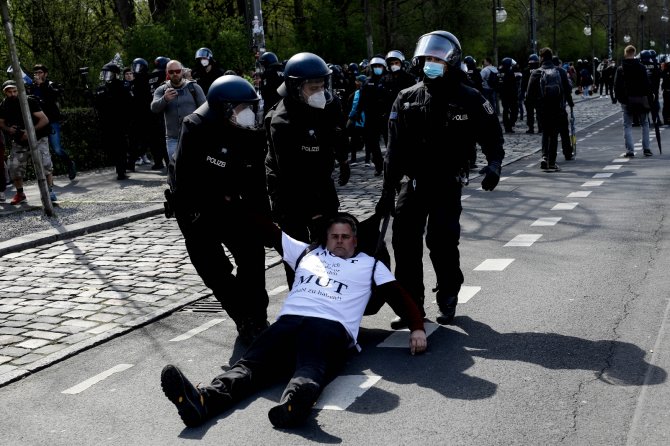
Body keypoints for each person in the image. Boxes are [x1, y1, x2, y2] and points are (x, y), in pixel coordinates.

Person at [160, 213, 427, 428]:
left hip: (330, 326)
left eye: (346, 237)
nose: (339, 241)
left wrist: (416, 328)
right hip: (288, 322)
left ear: (355, 241)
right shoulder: (307, 253)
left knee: (310, 367)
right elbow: (271, 232)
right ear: (326, 238)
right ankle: (201, 401)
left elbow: (398, 295)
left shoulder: (369, 264)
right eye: (334, 236)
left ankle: (294, 404)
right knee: (249, 367)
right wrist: (233, 200)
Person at [375, 30, 505, 328]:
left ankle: (448, 294)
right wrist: (386, 193)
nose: (431, 64)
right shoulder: (406, 98)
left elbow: (491, 134)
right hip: (415, 182)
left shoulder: (469, 97)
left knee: (442, 241)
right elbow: (394, 150)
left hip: (447, 182)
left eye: (437, 59)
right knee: (404, 242)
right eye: (427, 59)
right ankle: (411, 306)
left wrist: (494, 164)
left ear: (451, 61)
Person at [166, 75, 270, 344]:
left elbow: (257, 180)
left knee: (252, 258)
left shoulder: (252, 133)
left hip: (233, 203)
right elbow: (185, 181)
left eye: (250, 107)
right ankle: (242, 318)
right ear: (223, 108)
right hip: (197, 207)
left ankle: (258, 318)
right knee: (214, 268)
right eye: (241, 108)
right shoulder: (197, 127)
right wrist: (195, 220)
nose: (247, 114)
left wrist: (265, 222)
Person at [265, 52, 350, 287]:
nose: (320, 92)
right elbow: (290, 173)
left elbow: (337, 133)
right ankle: (300, 303)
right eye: (313, 88)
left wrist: (343, 161)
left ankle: (329, 301)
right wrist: (312, 210)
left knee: (330, 244)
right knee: (298, 253)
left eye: (322, 85)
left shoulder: (329, 105)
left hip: (320, 179)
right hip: (289, 190)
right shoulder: (281, 121)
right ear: (296, 87)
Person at [0, 80, 56, 204]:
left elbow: (44, 119)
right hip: (19, 141)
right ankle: (20, 194)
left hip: (38, 138)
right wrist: (9, 129)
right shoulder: (4, 104)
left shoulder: (29, 101)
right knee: (14, 167)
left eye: (15, 91)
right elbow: (1, 122)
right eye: (9, 92)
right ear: (5, 93)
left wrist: (29, 131)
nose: (13, 94)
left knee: (45, 164)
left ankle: (50, 191)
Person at [526, 48, 574, 171]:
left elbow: (529, 94)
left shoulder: (536, 73)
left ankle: (544, 157)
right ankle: (551, 162)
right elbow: (568, 90)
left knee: (545, 132)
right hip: (558, 108)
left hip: (542, 109)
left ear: (541, 58)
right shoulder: (561, 71)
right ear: (551, 57)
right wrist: (570, 103)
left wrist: (531, 109)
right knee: (553, 135)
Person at [151, 60, 206, 162]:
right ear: (167, 73)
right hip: (173, 139)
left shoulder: (194, 87)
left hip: (193, 137)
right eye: (171, 72)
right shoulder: (161, 90)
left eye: (177, 71)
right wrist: (165, 99)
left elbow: (205, 111)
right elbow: (154, 108)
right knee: (175, 170)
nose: (175, 74)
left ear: (182, 71)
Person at [28, 64, 77, 180]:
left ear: (45, 74)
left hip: (51, 121)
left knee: (57, 149)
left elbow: (54, 96)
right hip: (38, 123)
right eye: (35, 73)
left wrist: (42, 85)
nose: (37, 75)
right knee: (41, 150)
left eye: (40, 72)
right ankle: (48, 176)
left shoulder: (50, 85)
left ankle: (70, 164)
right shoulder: (31, 87)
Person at [92, 62, 132, 180]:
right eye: (104, 73)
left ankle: (121, 170)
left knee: (120, 146)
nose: (106, 75)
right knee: (110, 147)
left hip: (119, 122)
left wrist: (127, 121)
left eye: (108, 73)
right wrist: (91, 96)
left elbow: (128, 105)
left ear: (115, 74)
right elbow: (97, 105)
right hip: (106, 123)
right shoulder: (101, 88)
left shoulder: (122, 86)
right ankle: (120, 166)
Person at [613, 45, 653, 157]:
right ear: (634, 53)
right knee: (645, 124)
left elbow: (616, 87)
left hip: (627, 100)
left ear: (625, 53)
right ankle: (646, 149)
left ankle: (630, 150)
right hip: (641, 99)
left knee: (627, 125)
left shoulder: (621, 69)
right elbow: (647, 85)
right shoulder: (641, 67)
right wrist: (649, 99)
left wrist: (622, 100)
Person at [356, 55, 389, 175]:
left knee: (389, 143)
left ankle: (390, 165)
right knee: (372, 143)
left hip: (385, 116)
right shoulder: (367, 82)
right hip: (371, 117)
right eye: (375, 66)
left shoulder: (388, 80)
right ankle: (378, 165)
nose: (377, 68)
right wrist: (358, 113)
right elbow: (361, 99)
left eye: (379, 66)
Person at [148, 56, 170, 170]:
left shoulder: (150, 76)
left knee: (155, 138)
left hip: (152, 110)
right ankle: (169, 162)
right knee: (165, 137)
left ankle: (157, 162)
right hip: (164, 109)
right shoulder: (164, 74)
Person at [346, 74, 367, 164]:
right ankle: (367, 160)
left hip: (358, 119)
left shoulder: (356, 93)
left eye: (357, 81)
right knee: (368, 140)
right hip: (368, 119)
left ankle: (353, 159)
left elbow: (354, 106)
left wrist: (350, 116)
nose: (355, 82)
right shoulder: (371, 92)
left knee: (352, 138)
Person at [258, 51, 284, 116]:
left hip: (272, 106)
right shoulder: (282, 70)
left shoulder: (268, 72)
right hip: (283, 104)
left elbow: (265, 92)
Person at [522, 54, 542, 134]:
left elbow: (523, 84)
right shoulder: (541, 70)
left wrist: (523, 94)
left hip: (529, 95)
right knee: (539, 113)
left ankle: (531, 128)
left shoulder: (526, 70)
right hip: (539, 95)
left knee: (530, 113)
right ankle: (540, 128)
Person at [498, 57, 518, 133]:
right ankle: (510, 124)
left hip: (503, 95)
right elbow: (513, 85)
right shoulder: (510, 72)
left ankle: (507, 127)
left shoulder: (500, 72)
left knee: (505, 111)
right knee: (514, 111)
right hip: (511, 95)